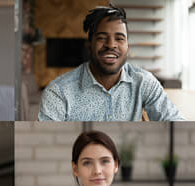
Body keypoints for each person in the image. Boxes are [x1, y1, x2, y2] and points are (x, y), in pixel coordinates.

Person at [38, 4, 183, 121]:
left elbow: (174, 121)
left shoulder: (144, 82)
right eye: (102, 37)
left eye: (119, 38)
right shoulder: (58, 92)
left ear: (127, 47)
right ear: (89, 46)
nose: (111, 45)